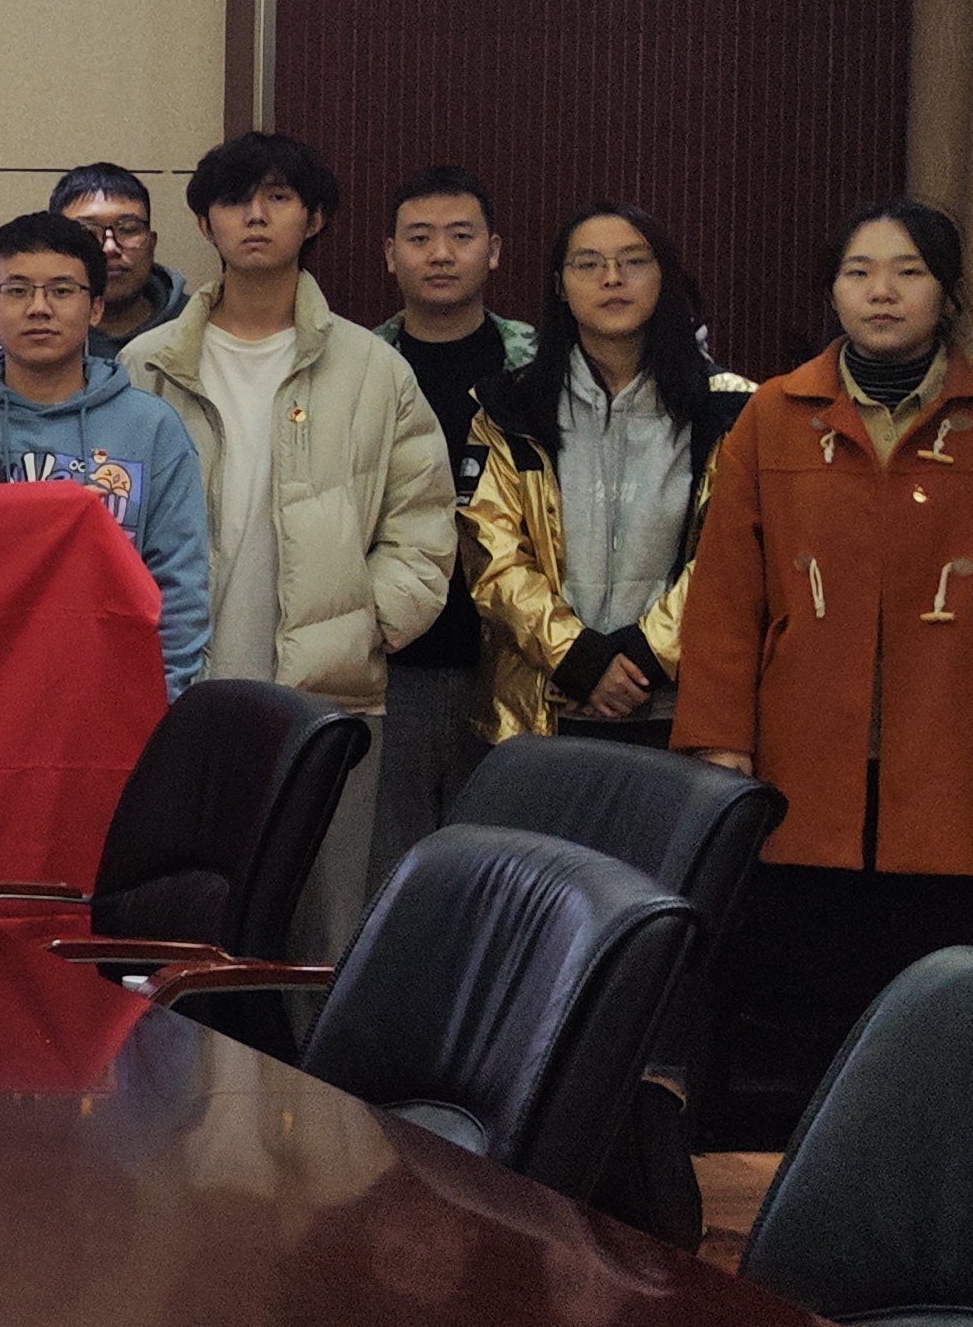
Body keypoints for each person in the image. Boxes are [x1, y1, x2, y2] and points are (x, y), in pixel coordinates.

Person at [678, 199, 973, 1142]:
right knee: (804, 1009)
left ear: (947, 292)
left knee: (955, 1009)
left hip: (960, 759)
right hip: (804, 761)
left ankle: (951, 1187)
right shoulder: (776, 414)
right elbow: (726, 594)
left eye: (908, 272)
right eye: (859, 272)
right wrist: (721, 740)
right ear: (833, 291)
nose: (882, 292)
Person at [123, 132, 454, 963]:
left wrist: (365, 627)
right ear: (207, 222)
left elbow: (424, 525)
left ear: (316, 219)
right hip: (177, 695)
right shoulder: (145, 366)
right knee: (179, 927)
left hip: (327, 694)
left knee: (318, 938)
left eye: (278, 197)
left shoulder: (375, 368)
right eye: (236, 199)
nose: (256, 216)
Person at [467, 203, 751, 748]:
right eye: (589, 263)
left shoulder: (731, 410)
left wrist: (644, 657)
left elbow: (733, 556)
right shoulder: (510, 406)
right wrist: (579, 660)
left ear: (664, 277)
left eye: (634, 262)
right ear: (560, 285)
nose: (612, 278)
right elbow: (491, 556)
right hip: (544, 710)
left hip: (680, 711)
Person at [0, 212, 209, 694]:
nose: (39, 308)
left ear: (95, 308)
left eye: (61, 291)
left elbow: (180, 590)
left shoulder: (152, 428)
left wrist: (159, 702)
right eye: (17, 291)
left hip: (113, 696)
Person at [366, 166, 542, 892]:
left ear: (493, 251)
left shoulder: (542, 368)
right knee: (384, 877)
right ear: (390, 254)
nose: (440, 254)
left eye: (460, 236)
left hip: (514, 662)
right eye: (419, 238)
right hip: (390, 664)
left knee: (497, 879)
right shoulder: (359, 367)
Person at [53, 163, 189, 350]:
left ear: (152, 243)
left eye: (129, 229)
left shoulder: (197, 323)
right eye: (88, 232)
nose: (110, 248)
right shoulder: (31, 332)